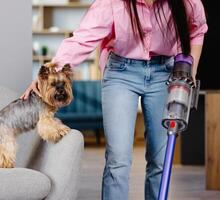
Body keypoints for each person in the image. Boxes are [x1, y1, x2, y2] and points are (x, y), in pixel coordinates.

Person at [21, 0, 208, 199]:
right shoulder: (112, 2)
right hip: (122, 72)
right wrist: (50, 73)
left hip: (166, 72)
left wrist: (191, 70)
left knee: (161, 161)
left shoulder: (185, 2)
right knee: (118, 160)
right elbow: (82, 40)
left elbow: (197, 29)